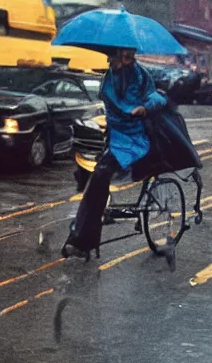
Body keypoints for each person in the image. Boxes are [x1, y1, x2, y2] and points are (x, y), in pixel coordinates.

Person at [61, 48, 168, 259]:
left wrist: (144, 108)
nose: (120, 60)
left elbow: (157, 97)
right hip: (115, 137)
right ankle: (85, 231)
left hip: (135, 139)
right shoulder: (109, 77)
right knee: (90, 177)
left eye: (126, 56)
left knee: (100, 174)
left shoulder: (140, 74)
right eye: (118, 56)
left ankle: (83, 240)